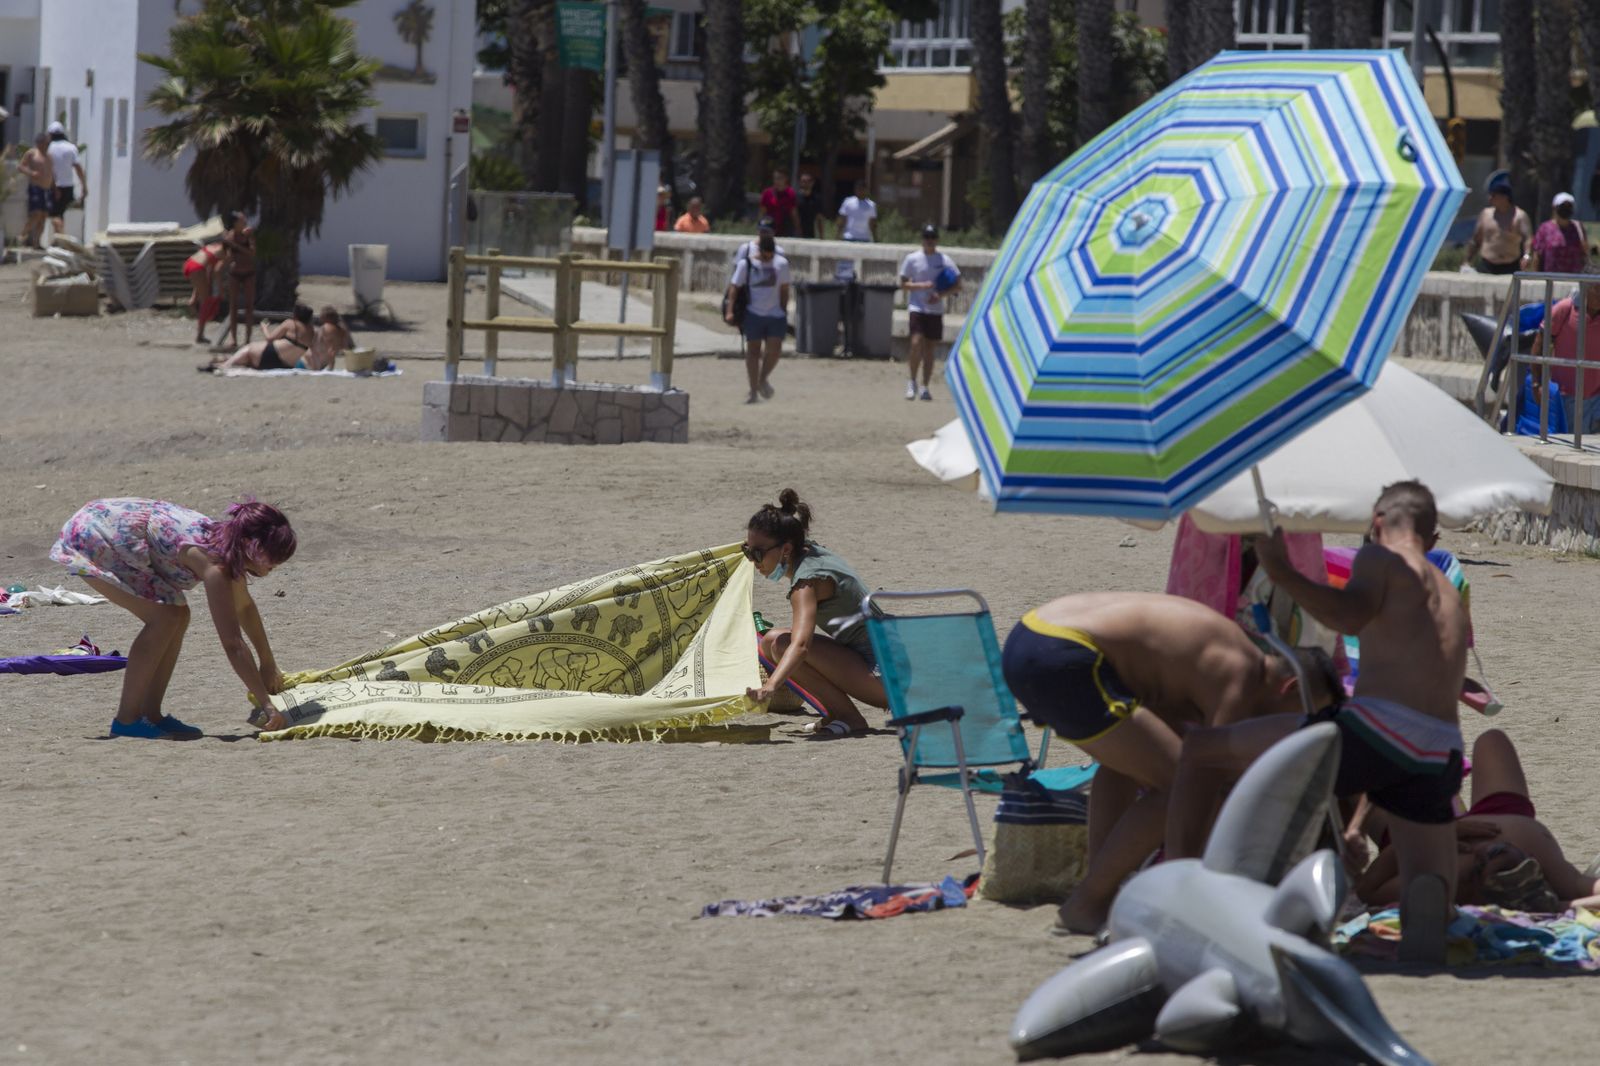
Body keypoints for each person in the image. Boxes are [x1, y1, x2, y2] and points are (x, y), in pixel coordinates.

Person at [1165, 481, 1468, 961]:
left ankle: (1176, 894)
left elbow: (1349, 616)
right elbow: (1405, 739)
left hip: (1376, 730)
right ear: (1432, 538)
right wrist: (1358, 825)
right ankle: (1428, 906)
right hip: (1442, 750)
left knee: (1204, 749)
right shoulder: (1450, 593)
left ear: (1377, 523)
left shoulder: (1381, 559)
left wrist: (1279, 569)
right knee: (1427, 877)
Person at [1000, 591, 1339, 933]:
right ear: (1290, 687)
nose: (1292, 730)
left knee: (1125, 764)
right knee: (1178, 785)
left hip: (1031, 636)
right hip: (1065, 654)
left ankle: (1099, 894)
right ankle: (1087, 902)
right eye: (1300, 717)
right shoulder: (1242, 673)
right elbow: (1207, 779)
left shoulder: (1221, 653)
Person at [49, 498, 297, 738]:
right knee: (164, 618)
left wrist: (268, 662)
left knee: (178, 613)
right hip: (96, 534)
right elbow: (233, 644)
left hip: (114, 527)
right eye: (272, 557)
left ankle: (151, 714)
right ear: (251, 546)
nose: (275, 564)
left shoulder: (230, 548)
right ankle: (126, 720)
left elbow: (244, 607)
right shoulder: (215, 567)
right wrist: (267, 704)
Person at [1354, 729, 1600, 911]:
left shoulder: (1449, 878)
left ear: (1474, 881)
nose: (1491, 846)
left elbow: (1367, 890)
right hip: (1505, 817)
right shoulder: (1548, 866)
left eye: (1485, 858)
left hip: (1421, 836)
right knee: (1491, 739)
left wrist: (1440, 834)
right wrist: (1562, 906)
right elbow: (1586, 890)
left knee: (1366, 776)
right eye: (1521, 861)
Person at [744, 489, 885, 737]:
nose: (753, 561)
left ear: (786, 549)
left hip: (886, 679)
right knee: (770, 641)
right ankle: (836, 713)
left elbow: (800, 647)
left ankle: (849, 717)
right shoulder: (810, 552)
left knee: (783, 645)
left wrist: (770, 687)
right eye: (747, 551)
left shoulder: (806, 583)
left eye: (757, 554)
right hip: (884, 656)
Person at [1529, 268, 1600, 432]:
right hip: (1566, 396)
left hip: (1597, 396)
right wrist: (1536, 383)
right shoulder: (1565, 309)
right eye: (1598, 290)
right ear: (1585, 289)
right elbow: (1540, 344)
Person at [724, 234, 790, 403]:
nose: (768, 258)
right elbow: (734, 288)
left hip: (775, 314)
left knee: (774, 350)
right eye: (766, 254)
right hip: (753, 313)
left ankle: (762, 378)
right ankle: (753, 391)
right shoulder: (746, 264)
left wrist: (783, 310)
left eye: (771, 254)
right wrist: (730, 311)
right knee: (753, 352)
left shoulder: (781, 264)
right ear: (760, 251)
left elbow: (784, 289)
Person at [899, 223, 960, 401]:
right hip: (917, 307)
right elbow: (903, 283)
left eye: (933, 237)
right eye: (927, 237)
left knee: (930, 350)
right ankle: (911, 381)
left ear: (937, 240)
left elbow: (958, 284)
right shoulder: (912, 259)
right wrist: (921, 286)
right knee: (916, 343)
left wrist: (940, 295)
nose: (930, 241)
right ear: (922, 239)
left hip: (935, 310)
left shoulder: (944, 260)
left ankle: (925, 385)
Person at [204, 303, 317, 372]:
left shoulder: (290, 323)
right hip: (287, 365)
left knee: (249, 348)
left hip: (270, 356)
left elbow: (270, 338)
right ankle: (224, 360)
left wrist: (264, 328)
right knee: (249, 357)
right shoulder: (311, 331)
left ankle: (225, 365)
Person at [1466, 179, 1531, 275]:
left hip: (1510, 265)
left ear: (1504, 197)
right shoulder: (1486, 214)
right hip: (1487, 264)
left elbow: (1528, 239)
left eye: (1493, 196)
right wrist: (1467, 261)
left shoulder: (1519, 216)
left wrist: (1527, 256)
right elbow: (1476, 239)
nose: (1490, 199)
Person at [218, 210, 257, 349]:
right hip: (235, 273)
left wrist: (236, 246)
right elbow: (224, 255)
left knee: (249, 306)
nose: (244, 222)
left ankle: (247, 339)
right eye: (241, 221)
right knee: (233, 306)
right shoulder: (229, 237)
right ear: (235, 223)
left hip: (249, 272)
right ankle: (233, 339)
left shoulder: (248, 235)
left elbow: (252, 253)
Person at [1528, 192, 1589, 274]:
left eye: (1569, 206)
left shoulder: (1578, 228)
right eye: (1563, 206)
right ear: (1554, 207)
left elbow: (1584, 253)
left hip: (1574, 280)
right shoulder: (1545, 229)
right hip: (1551, 280)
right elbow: (1537, 256)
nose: (1566, 209)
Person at [44, 121, 87, 238]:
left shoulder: (49, 149)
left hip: (55, 186)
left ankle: (60, 236)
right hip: (68, 185)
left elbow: (49, 170)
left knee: (54, 215)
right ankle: (60, 238)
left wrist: (54, 187)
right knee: (63, 214)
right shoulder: (71, 147)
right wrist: (84, 186)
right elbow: (78, 168)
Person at [183, 240, 229, 344]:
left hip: (190, 263)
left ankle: (193, 301)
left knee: (204, 292)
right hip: (198, 268)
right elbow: (216, 271)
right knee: (205, 301)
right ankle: (200, 335)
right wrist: (221, 290)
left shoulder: (214, 245)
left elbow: (208, 270)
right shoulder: (223, 253)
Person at [19, 132, 53, 249]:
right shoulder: (31, 153)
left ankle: (37, 242)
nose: (46, 145)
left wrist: (54, 187)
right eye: (45, 143)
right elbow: (21, 166)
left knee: (43, 216)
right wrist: (31, 173)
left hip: (47, 189)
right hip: (36, 187)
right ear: (39, 143)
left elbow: (51, 173)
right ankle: (22, 236)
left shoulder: (49, 156)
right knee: (36, 214)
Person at [308, 306, 354, 372]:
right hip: (342, 356)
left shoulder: (326, 327)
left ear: (327, 317)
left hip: (324, 360)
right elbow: (345, 345)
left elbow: (330, 350)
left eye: (322, 315)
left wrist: (331, 367)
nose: (320, 317)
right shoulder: (341, 327)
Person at [760, 168, 800, 239]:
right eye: (775, 178)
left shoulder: (790, 193)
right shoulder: (767, 193)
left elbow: (794, 213)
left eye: (779, 178)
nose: (777, 181)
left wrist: (798, 229)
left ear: (785, 179)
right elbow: (762, 213)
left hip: (785, 230)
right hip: (770, 229)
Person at [796, 172, 821, 239]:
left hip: (810, 233)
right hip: (796, 233)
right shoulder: (795, 198)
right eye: (803, 181)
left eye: (808, 181)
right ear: (800, 182)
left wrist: (821, 236)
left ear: (812, 183)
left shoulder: (816, 199)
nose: (805, 184)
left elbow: (819, 218)